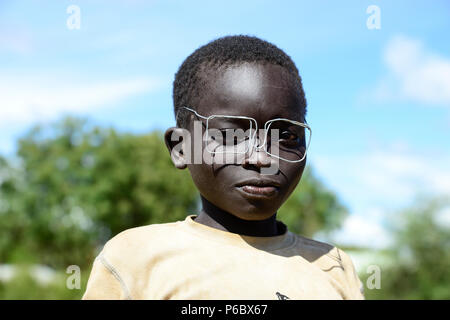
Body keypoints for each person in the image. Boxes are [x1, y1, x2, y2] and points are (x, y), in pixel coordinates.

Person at [82, 35, 364, 300]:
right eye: (231, 136)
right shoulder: (136, 257)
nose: (262, 159)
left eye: (286, 136)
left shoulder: (332, 265)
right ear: (181, 148)